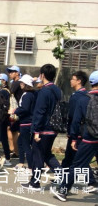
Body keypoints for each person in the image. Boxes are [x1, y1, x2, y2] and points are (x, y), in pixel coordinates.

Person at [51, 71, 98, 202]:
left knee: (77, 165)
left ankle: (63, 190)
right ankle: (92, 183)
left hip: (89, 138)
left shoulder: (83, 99)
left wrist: (74, 138)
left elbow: (76, 120)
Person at [21, 64, 61, 191]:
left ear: (42, 75)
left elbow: (40, 112)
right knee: (47, 154)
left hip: (43, 128)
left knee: (37, 154)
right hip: (54, 127)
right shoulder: (57, 90)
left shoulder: (44, 91)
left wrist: (36, 131)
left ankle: (35, 182)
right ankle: (63, 175)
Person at [61, 71, 88, 168]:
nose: (70, 81)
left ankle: (63, 178)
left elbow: (72, 116)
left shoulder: (76, 97)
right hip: (85, 130)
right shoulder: (87, 95)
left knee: (71, 156)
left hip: (76, 131)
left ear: (79, 81)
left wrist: (71, 133)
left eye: (73, 79)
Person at [10, 74, 35, 172]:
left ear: (26, 84)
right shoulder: (32, 94)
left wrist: (14, 111)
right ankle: (21, 163)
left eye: (22, 82)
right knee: (20, 142)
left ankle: (30, 167)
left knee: (25, 145)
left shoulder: (27, 95)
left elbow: (25, 108)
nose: (20, 84)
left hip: (26, 123)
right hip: (27, 122)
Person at [7, 65, 23, 158]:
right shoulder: (18, 83)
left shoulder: (16, 83)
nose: (10, 74)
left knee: (15, 130)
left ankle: (17, 151)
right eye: (9, 72)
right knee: (12, 130)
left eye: (12, 72)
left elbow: (10, 93)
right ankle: (15, 150)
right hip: (19, 109)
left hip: (17, 109)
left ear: (17, 73)